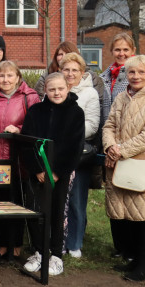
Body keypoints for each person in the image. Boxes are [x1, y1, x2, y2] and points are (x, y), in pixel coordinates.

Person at [103, 54, 145, 282]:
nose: (136, 76)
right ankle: (131, 258)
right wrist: (110, 145)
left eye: (141, 72)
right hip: (118, 160)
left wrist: (121, 149)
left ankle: (144, 265)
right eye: (131, 72)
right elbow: (109, 124)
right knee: (124, 211)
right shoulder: (122, 97)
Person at [20, 72, 85, 277]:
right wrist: (37, 169)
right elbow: (27, 141)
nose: (56, 93)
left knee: (57, 213)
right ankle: (39, 251)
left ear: (68, 88)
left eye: (60, 89)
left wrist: (56, 172)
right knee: (34, 210)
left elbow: (74, 146)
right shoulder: (35, 111)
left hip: (60, 174)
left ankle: (56, 254)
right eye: (52, 89)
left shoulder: (76, 113)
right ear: (45, 90)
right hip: (37, 172)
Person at [0, 60, 40, 260]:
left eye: (9, 75)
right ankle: (3, 243)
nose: (5, 80)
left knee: (17, 202)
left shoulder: (30, 97)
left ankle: (17, 245)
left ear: (18, 77)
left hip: (19, 159)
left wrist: (19, 130)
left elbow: (36, 125)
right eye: (1, 76)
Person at [60, 52, 102, 258]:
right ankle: (58, 239)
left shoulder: (90, 94)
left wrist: (66, 132)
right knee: (59, 198)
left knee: (76, 199)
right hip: (56, 152)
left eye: (74, 70)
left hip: (78, 152)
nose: (70, 74)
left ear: (82, 73)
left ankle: (74, 242)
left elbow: (92, 125)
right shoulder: (55, 88)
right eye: (66, 69)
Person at [102, 32, 134, 99]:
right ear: (111, 51)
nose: (121, 54)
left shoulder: (139, 75)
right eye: (117, 50)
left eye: (126, 50)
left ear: (133, 51)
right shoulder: (105, 77)